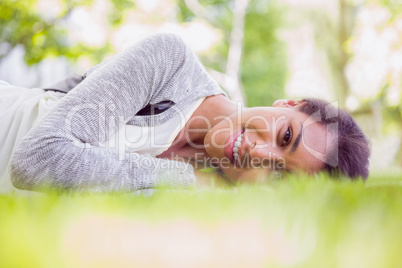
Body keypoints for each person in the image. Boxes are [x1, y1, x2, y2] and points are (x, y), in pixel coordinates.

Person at [0, 33, 370, 194]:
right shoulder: (170, 64)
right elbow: (36, 159)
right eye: (286, 137)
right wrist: (184, 180)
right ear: (288, 104)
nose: (259, 154)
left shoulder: (217, 210)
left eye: (279, 175)